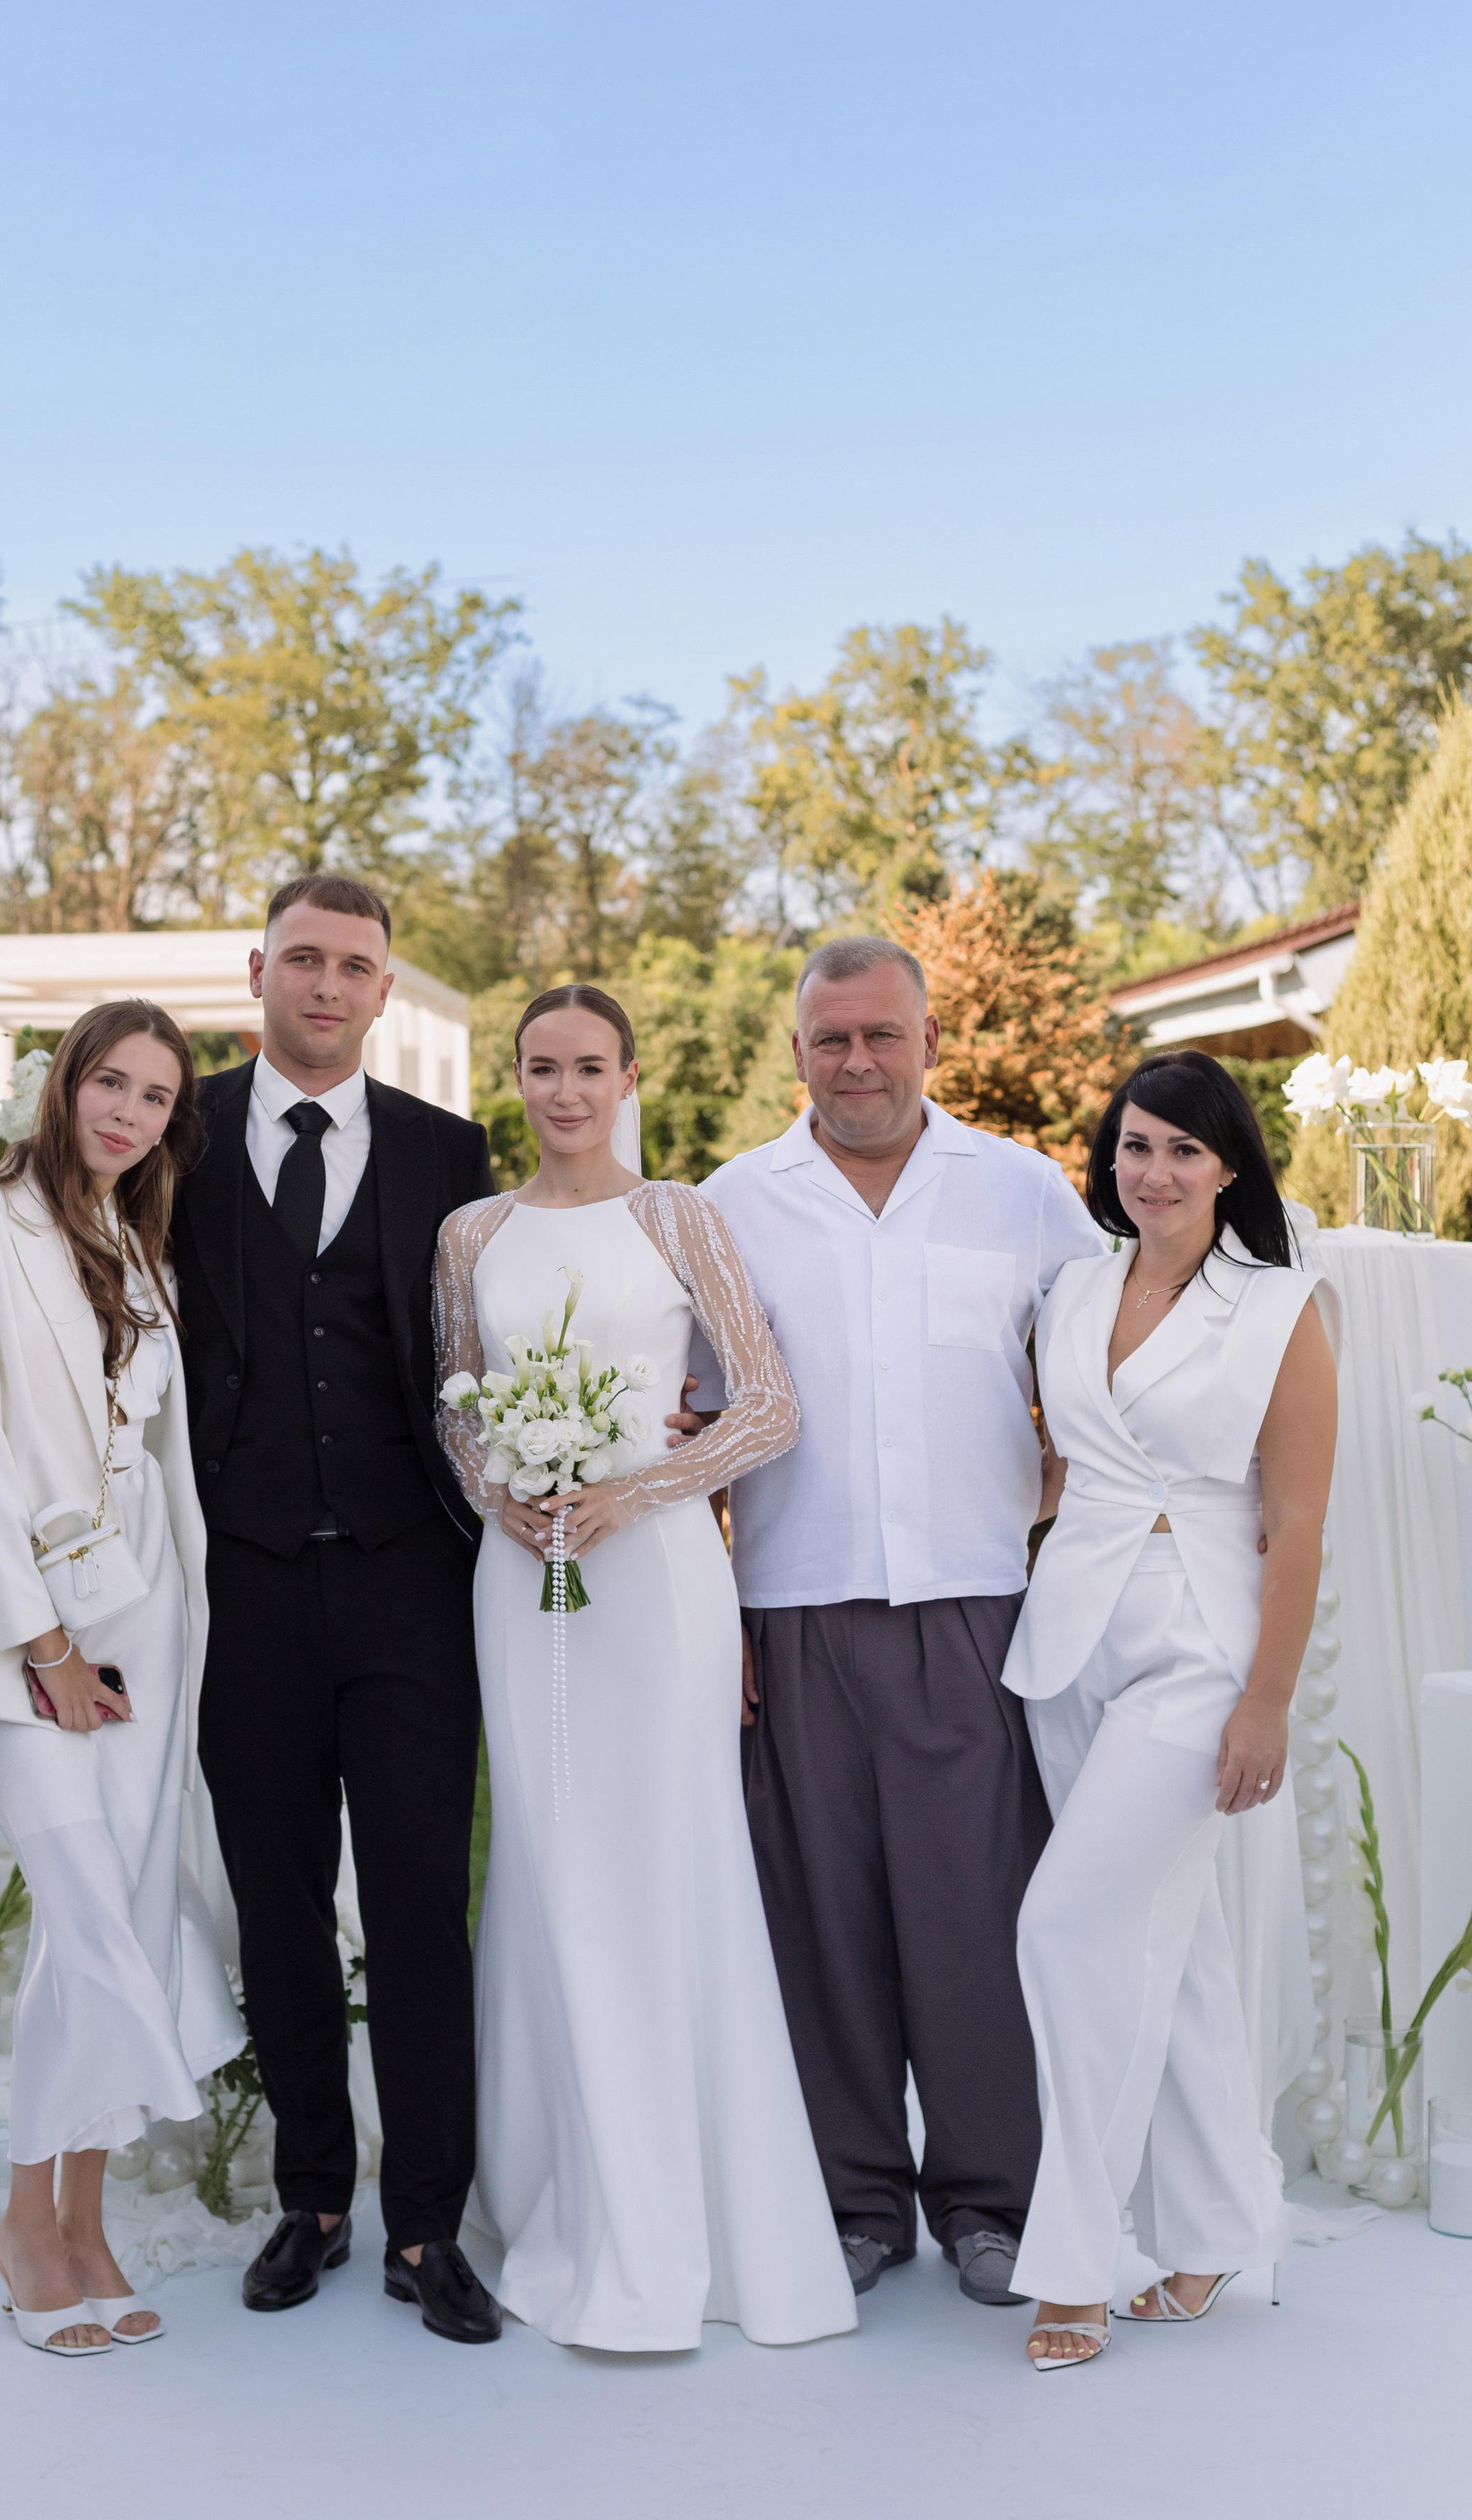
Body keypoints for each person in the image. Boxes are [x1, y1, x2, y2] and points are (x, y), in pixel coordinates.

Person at [681, 934, 1105, 2306]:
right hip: (787, 1613)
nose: (855, 1062)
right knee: (822, 1922)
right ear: (793, 1049)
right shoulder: (728, 1205)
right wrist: (712, 1610)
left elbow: (1102, 1380)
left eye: (879, 1035)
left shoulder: (1023, 1196)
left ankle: (988, 2201)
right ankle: (853, 2202)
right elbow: (681, 1427)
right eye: (828, 1040)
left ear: (926, 1039)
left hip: (973, 1610)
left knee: (976, 1916)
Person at [432, 986, 856, 2351]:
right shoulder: (471, 1235)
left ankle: (689, 2214)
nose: (565, 1092)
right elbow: (453, 1402)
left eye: (590, 1068)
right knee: (550, 1862)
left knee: (669, 1858)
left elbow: (773, 1404)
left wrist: (639, 1490)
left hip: (660, 1574)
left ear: (629, 1076)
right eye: (543, 1069)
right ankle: (561, 2184)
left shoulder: (681, 1215)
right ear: (518, 1079)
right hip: (524, 1578)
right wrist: (497, 1487)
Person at [0, 1000, 244, 2356]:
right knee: (87, 1913)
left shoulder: (138, 1253)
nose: (127, 1114)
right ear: (63, 1082)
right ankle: (49, 2202)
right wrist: (45, 1646)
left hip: (149, 1602)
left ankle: (77, 2223)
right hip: (21, 1621)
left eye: (154, 1099)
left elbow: (153, 1454)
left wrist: (169, 1608)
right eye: (110, 1083)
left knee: (118, 1919)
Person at [171, 876, 501, 2344]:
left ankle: (428, 2225)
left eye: (352, 967)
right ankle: (309, 2196)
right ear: (257, 971)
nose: (324, 985)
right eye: (300, 959)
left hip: (407, 1580)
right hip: (236, 1580)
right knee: (280, 1903)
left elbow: (497, 1337)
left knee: (424, 1903)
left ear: (384, 992)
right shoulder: (168, 1138)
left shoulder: (447, 1151)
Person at [1004, 1050, 1339, 2370]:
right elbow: (1054, 1467)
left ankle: (1076, 2261)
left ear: (1230, 1167)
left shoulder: (1283, 1307)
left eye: (1184, 1152)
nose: (1154, 1173)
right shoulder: (1075, 1287)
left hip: (1204, 1645)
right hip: (1070, 1635)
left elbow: (1299, 1524)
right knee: (1175, 1949)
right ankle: (1217, 2232)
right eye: (1136, 1147)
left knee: (1064, 1928)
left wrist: (1267, 1702)